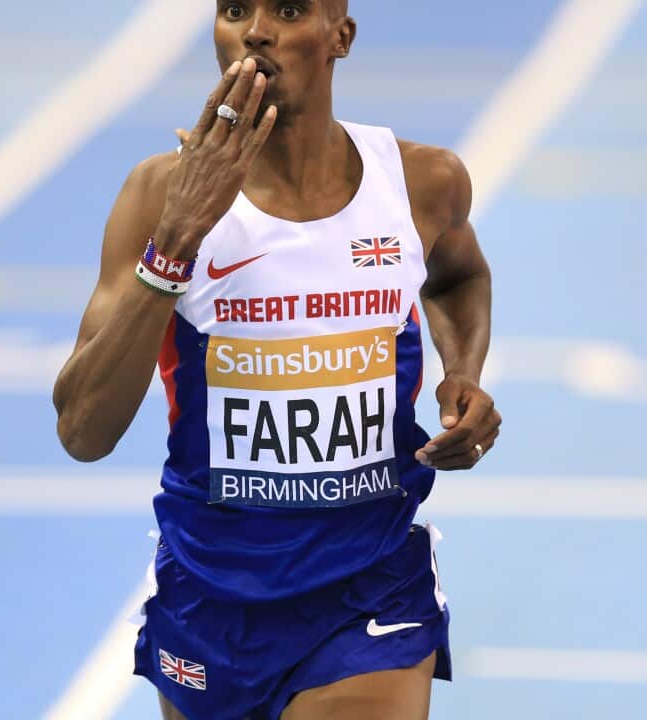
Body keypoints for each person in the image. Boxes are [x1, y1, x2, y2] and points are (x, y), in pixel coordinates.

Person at [53, 1, 500, 717]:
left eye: (288, 10)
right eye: (234, 10)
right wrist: (175, 243)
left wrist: (463, 370)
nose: (255, 30)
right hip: (212, 589)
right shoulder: (156, 196)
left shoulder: (420, 182)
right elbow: (82, 430)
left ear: (340, 38)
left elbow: (456, 276)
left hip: (370, 584)